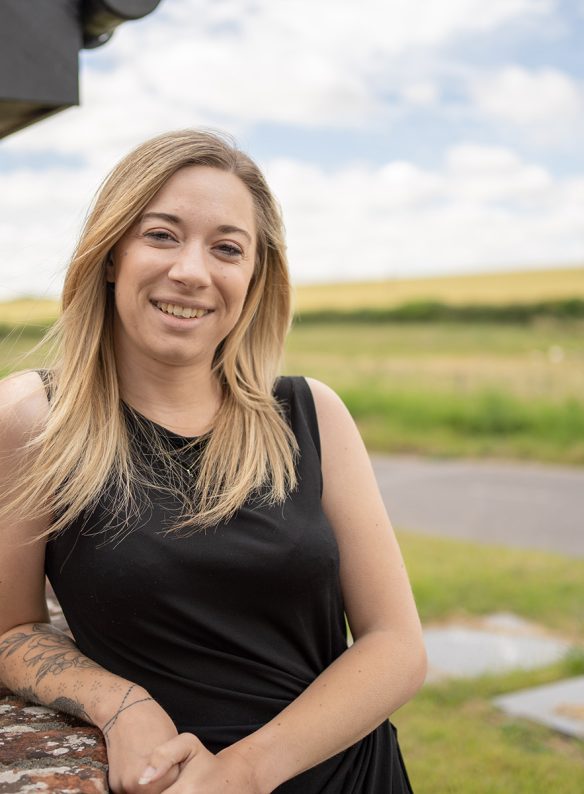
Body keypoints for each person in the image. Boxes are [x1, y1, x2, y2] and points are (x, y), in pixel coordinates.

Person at [0, 129, 426, 793]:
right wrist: (120, 703)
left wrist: (242, 774)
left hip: (352, 776)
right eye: (162, 235)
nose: (192, 272)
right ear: (111, 255)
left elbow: (396, 644)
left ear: (254, 277)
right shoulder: (35, 421)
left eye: (227, 248)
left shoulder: (311, 414)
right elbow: (11, 628)